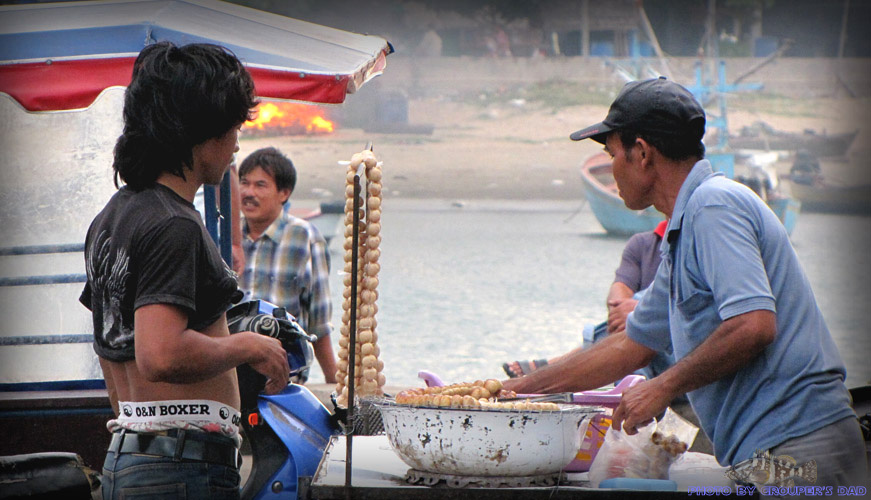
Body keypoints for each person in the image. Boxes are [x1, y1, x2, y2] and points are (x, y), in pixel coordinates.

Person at [503, 77, 867, 490]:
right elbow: (629, 345)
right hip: (769, 451)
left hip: (800, 448)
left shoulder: (714, 205)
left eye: (613, 155)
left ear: (642, 153)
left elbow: (754, 324)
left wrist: (663, 386)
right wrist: (512, 392)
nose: (612, 170)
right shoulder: (683, 235)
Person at [80, 42, 291, 499]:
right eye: (234, 128)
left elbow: (109, 342)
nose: (237, 146)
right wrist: (248, 344)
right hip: (180, 467)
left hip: (134, 453)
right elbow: (161, 354)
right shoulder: (173, 224)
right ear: (201, 132)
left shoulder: (113, 217)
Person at [503, 220, 668, 378]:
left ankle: (559, 365)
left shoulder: (688, 244)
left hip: (674, 351)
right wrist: (623, 312)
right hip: (639, 347)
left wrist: (640, 311)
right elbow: (620, 286)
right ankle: (564, 365)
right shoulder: (643, 243)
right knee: (632, 331)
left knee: (643, 313)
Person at [237, 147, 338, 384]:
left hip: (283, 381)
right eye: (244, 183)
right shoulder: (228, 237)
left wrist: (332, 379)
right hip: (231, 377)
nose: (249, 192)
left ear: (284, 193)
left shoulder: (305, 238)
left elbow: (318, 322)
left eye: (260, 185)